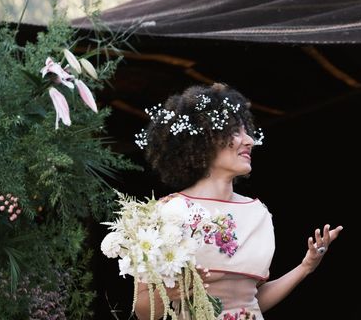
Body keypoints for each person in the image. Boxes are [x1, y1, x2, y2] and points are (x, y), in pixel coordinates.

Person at [133, 83, 342, 320]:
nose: (249, 141)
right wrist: (174, 291)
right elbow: (142, 311)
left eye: (247, 132)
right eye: (236, 132)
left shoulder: (258, 213)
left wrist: (305, 267)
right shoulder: (168, 212)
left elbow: (252, 302)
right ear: (206, 139)